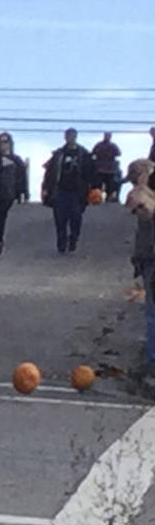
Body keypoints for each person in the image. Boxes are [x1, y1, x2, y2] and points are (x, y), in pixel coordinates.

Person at [43, 128, 96, 253]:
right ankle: (61, 242)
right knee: (60, 218)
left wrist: (94, 188)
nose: (70, 138)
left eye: (72, 136)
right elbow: (50, 173)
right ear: (65, 137)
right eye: (68, 136)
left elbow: (91, 173)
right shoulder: (58, 154)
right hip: (60, 191)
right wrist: (46, 188)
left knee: (76, 217)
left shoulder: (83, 154)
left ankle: (73, 239)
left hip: (77, 192)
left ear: (76, 137)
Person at [128, 160, 155, 376]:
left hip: (152, 258)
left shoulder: (144, 195)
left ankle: (153, 361)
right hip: (148, 257)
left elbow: (145, 209)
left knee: (152, 312)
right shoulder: (141, 193)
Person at [92, 130, 123, 202]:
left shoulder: (113, 146)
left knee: (111, 187)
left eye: (109, 136)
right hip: (99, 169)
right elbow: (93, 153)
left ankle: (109, 198)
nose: (107, 137)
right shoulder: (99, 145)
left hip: (110, 170)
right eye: (106, 135)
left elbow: (118, 153)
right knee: (98, 186)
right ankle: (97, 199)